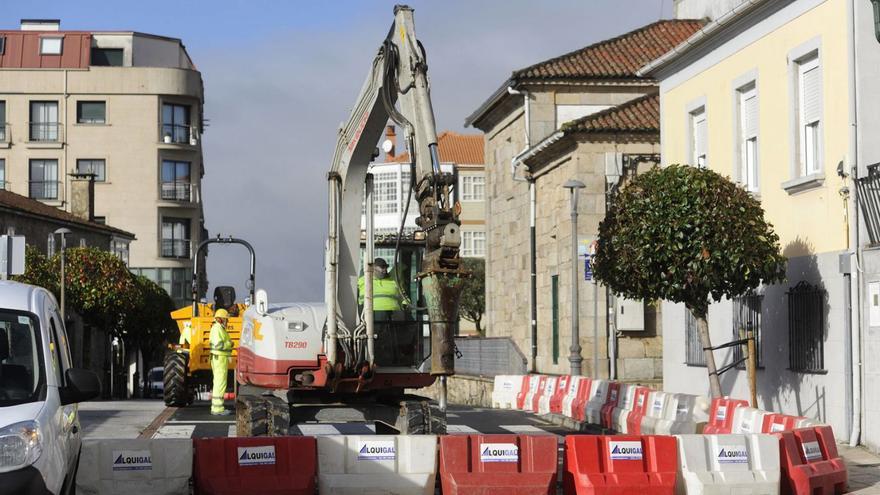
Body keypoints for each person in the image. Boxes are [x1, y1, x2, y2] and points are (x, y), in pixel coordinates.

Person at [209, 308, 233, 416]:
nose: (227, 321)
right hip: (220, 358)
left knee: (219, 383)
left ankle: (216, 407)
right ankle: (218, 409)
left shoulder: (218, 328)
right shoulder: (217, 328)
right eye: (225, 319)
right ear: (220, 319)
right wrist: (229, 344)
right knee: (220, 384)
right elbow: (219, 345)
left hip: (220, 358)